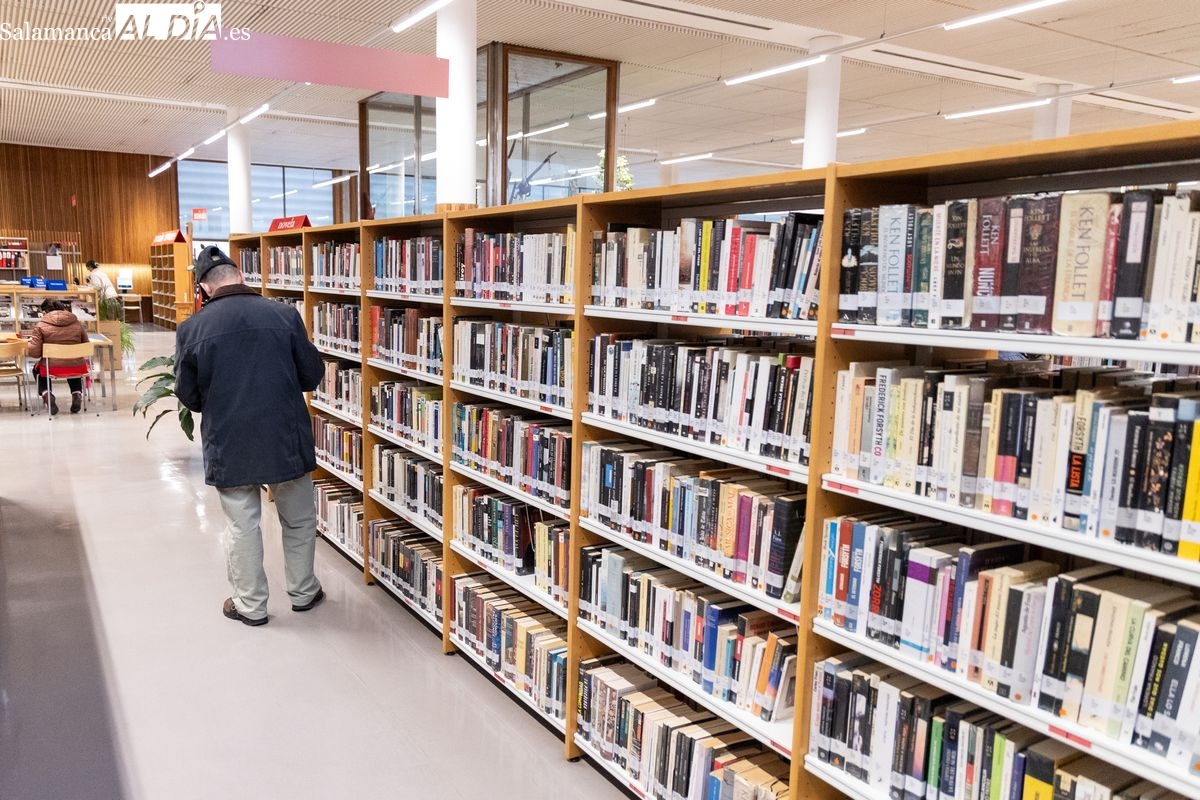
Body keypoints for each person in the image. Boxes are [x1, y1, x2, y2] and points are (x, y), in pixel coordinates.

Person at [174, 246, 326, 627]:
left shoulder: (192, 329)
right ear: (241, 276)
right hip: (285, 436)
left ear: (204, 289)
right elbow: (311, 375)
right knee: (299, 520)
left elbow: (189, 395)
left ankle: (251, 605)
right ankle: (304, 592)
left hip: (230, 440)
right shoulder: (284, 315)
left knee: (242, 524)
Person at [26, 298, 89, 415]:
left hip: (52, 368)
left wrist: (30, 343)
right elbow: (85, 344)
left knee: (37, 369)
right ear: (63, 309)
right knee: (72, 362)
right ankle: (77, 393)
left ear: (44, 312)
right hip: (77, 367)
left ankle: (46, 394)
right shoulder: (77, 323)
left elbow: (34, 353)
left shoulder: (40, 326)